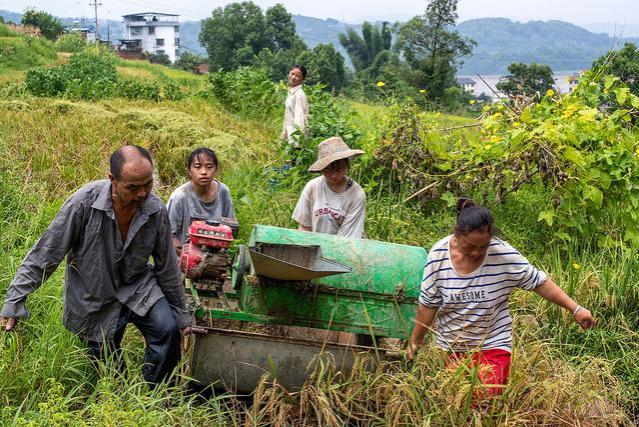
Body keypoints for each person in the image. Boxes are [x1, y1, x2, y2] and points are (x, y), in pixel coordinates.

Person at [0, 145, 198, 386]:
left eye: (148, 184)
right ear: (112, 180)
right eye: (133, 187)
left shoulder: (155, 210)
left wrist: (180, 313)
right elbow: (46, 253)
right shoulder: (83, 203)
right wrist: (14, 300)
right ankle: (124, 398)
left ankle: (153, 392)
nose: (143, 194)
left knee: (166, 332)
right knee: (109, 371)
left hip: (138, 287)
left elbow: (167, 265)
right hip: (94, 296)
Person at [407, 198, 595, 396]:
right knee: (457, 402)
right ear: (457, 234)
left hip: (493, 344)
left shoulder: (503, 254)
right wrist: (415, 342)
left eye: (484, 246)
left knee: (484, 397)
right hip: (451, 346)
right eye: (471, 246)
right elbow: (428, 305)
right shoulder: (438, 256)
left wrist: (576, 309)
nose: (478, 252)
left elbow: (539, 282)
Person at [292, 136, 366, 238]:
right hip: (315, 246)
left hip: (345, 247)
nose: (334, 175)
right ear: (321, 169)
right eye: (328, 170)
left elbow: (348, 237)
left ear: (347, 166)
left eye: (339, 170)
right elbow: (304, 227)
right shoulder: (313, 187)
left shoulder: (356, 194)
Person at [166, 147, 236, 254]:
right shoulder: (179, 197)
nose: (203, 172)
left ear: (216, 170)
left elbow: (230, 228)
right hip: (185, 257)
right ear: (189, 171)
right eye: (197, 167)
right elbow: (167, 235)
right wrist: (189, 256)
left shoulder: (223, 192)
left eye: (209, 167)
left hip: (215, 254)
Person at [281, 64, 309, 148]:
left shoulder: (299, 95)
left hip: (295, 138)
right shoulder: (291, 92)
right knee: (286, 160)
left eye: (298, 76)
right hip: (290, 134)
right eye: (292, 74)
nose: (293, 77)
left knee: (292, 160)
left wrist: (297, 142)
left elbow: (299, 118)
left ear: (302, 79)